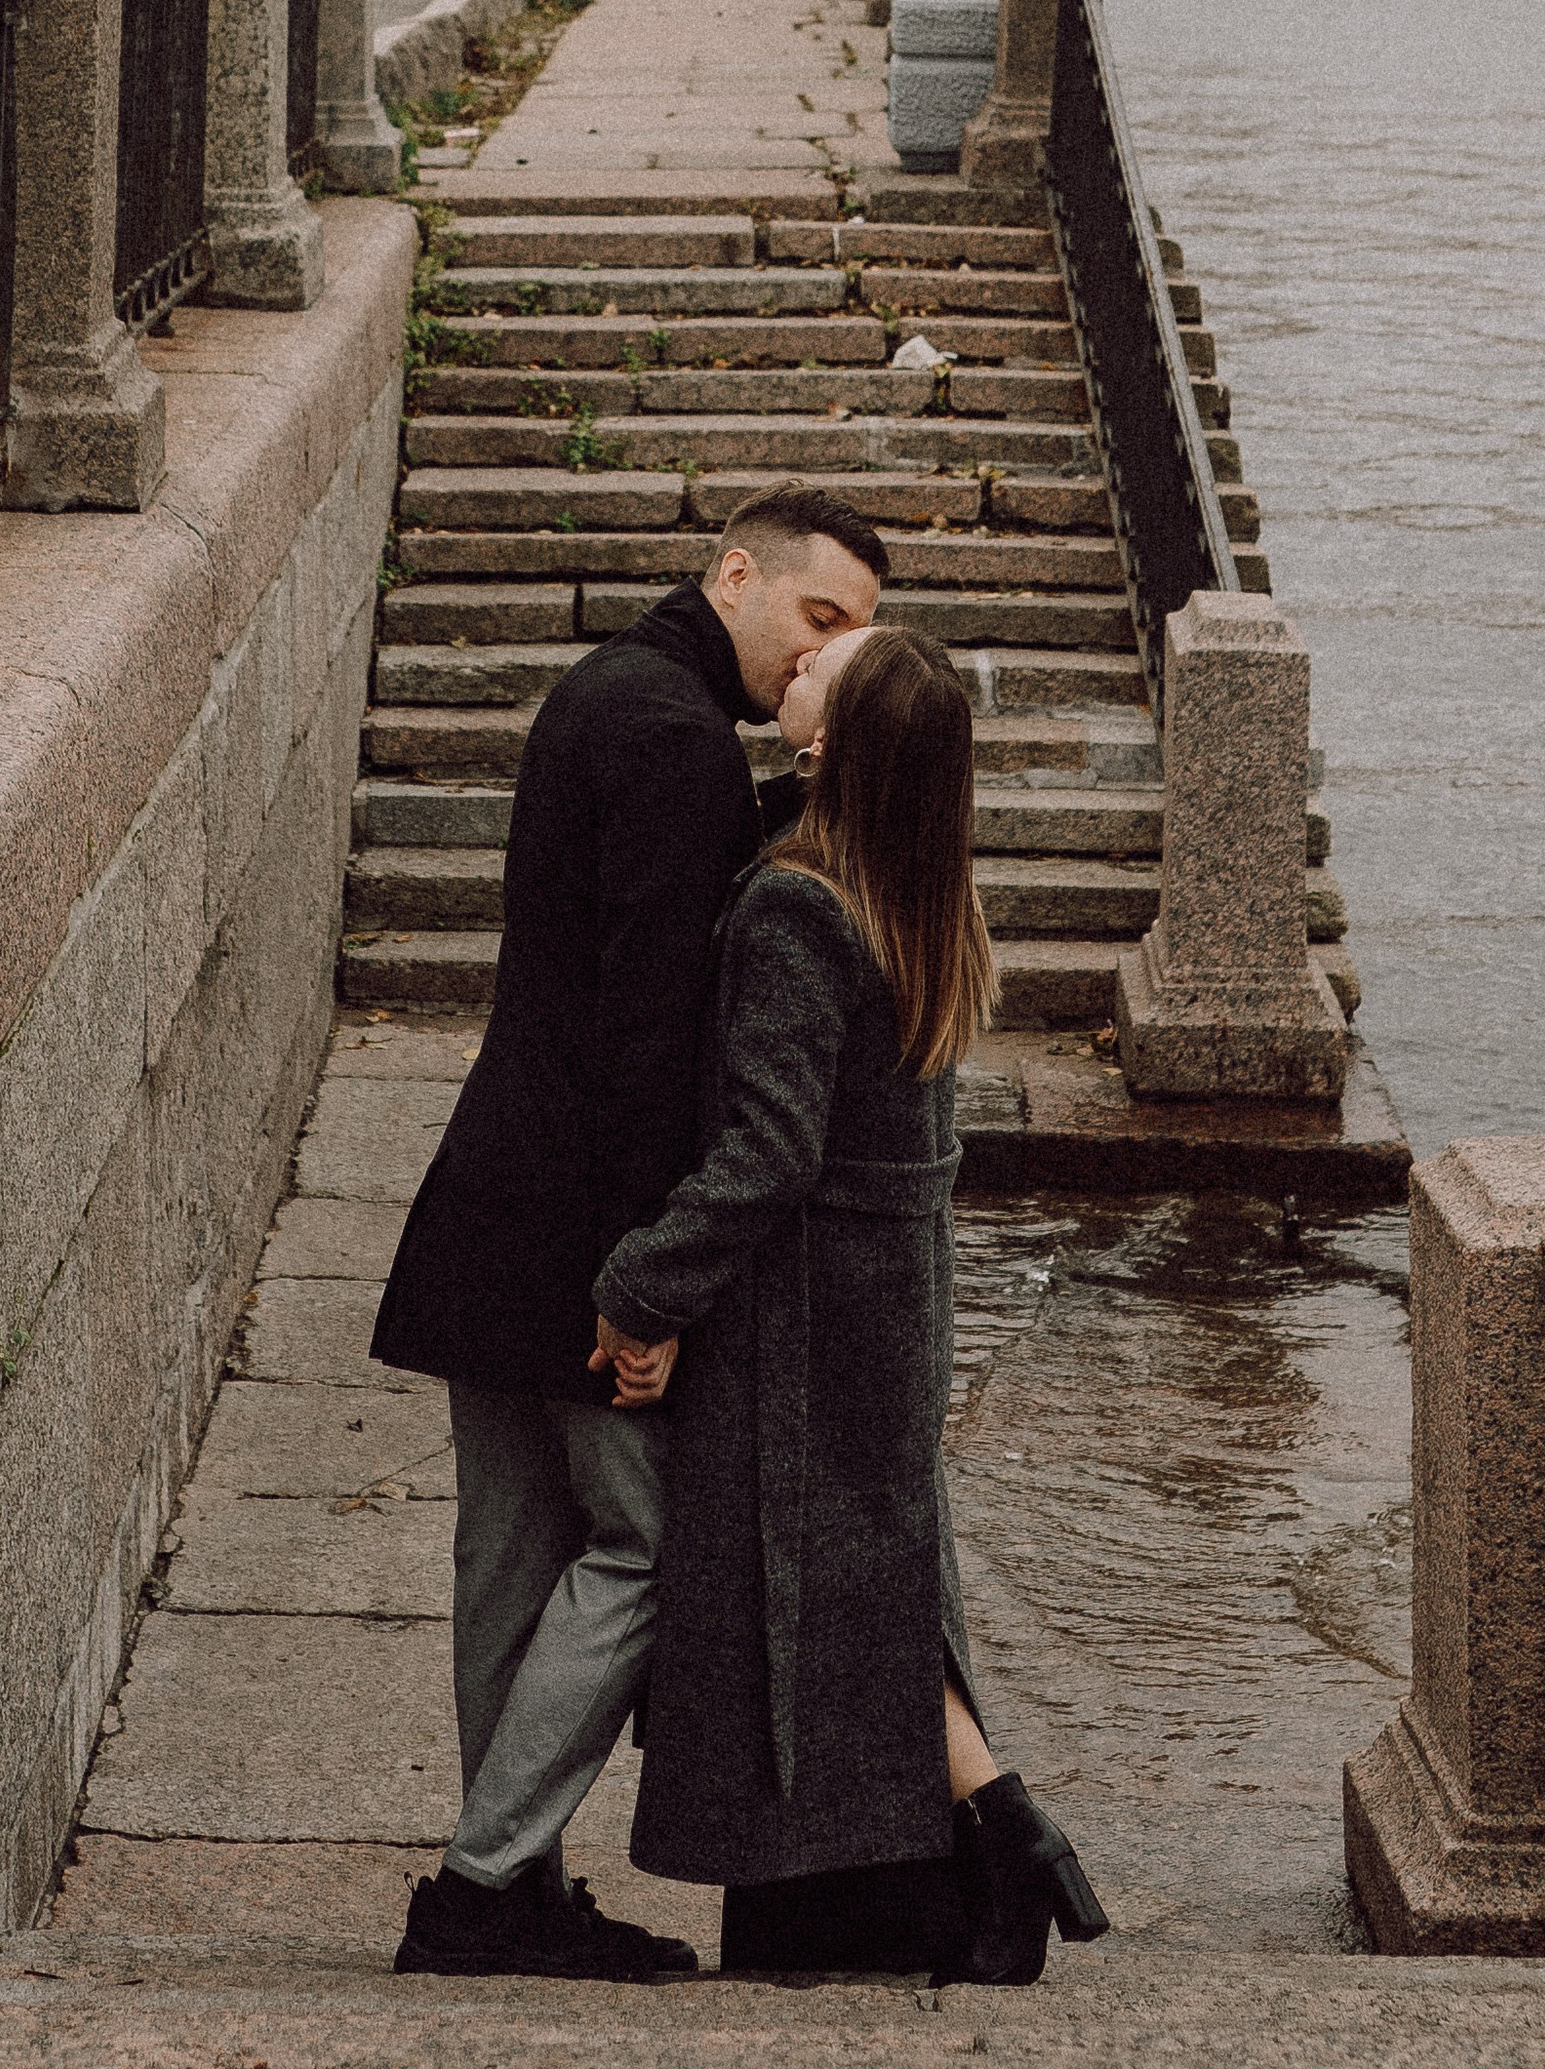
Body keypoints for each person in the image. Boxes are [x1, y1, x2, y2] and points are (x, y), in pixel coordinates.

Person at [372, 488, 890, 1982]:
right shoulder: (673, 744)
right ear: (737, 574)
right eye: (817, 618)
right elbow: (650, 1037)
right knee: (650, 1551)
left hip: (498, 1194)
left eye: (851, 638)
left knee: (514, 1551)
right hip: (581, 1224)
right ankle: (483, 1885)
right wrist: (645, 1293)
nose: (823, 659)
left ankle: (509, 1886)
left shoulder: (607, 689)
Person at [592, 625, 1111, 1987]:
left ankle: (999, 1834)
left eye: (830, 665)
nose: (803, 657)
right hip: (893, 1298)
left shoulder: (794, 912)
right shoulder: (919, 890)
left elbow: (768, 1153)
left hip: (803, 1316)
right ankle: (993, 1842)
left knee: (805, 1597)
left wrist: (644, 1285)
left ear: (834, 744)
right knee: (878, 1585)